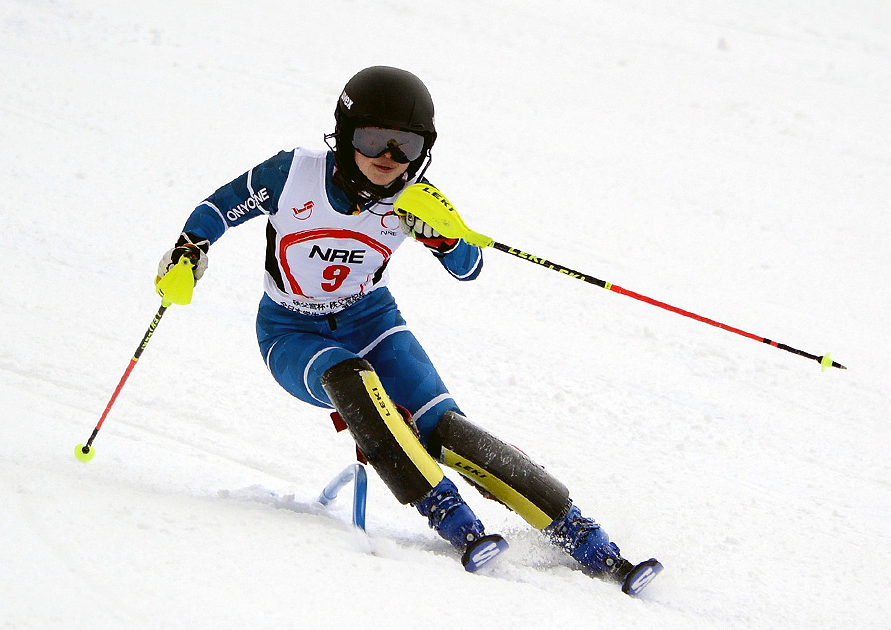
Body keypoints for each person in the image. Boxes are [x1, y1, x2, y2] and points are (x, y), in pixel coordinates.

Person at [156, 66, 661, 592]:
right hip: (291, 331)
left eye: (407, 145)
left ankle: (592, 543)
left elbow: (470, 265)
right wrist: (189, 251)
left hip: (372, 319)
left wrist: (444, 240)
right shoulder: (293, 175)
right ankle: (453, 519)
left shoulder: (415, 197)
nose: (389, 157)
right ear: (346, 134)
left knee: (444, 427)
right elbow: (218, 208)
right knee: (348, 378)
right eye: (374, 138)